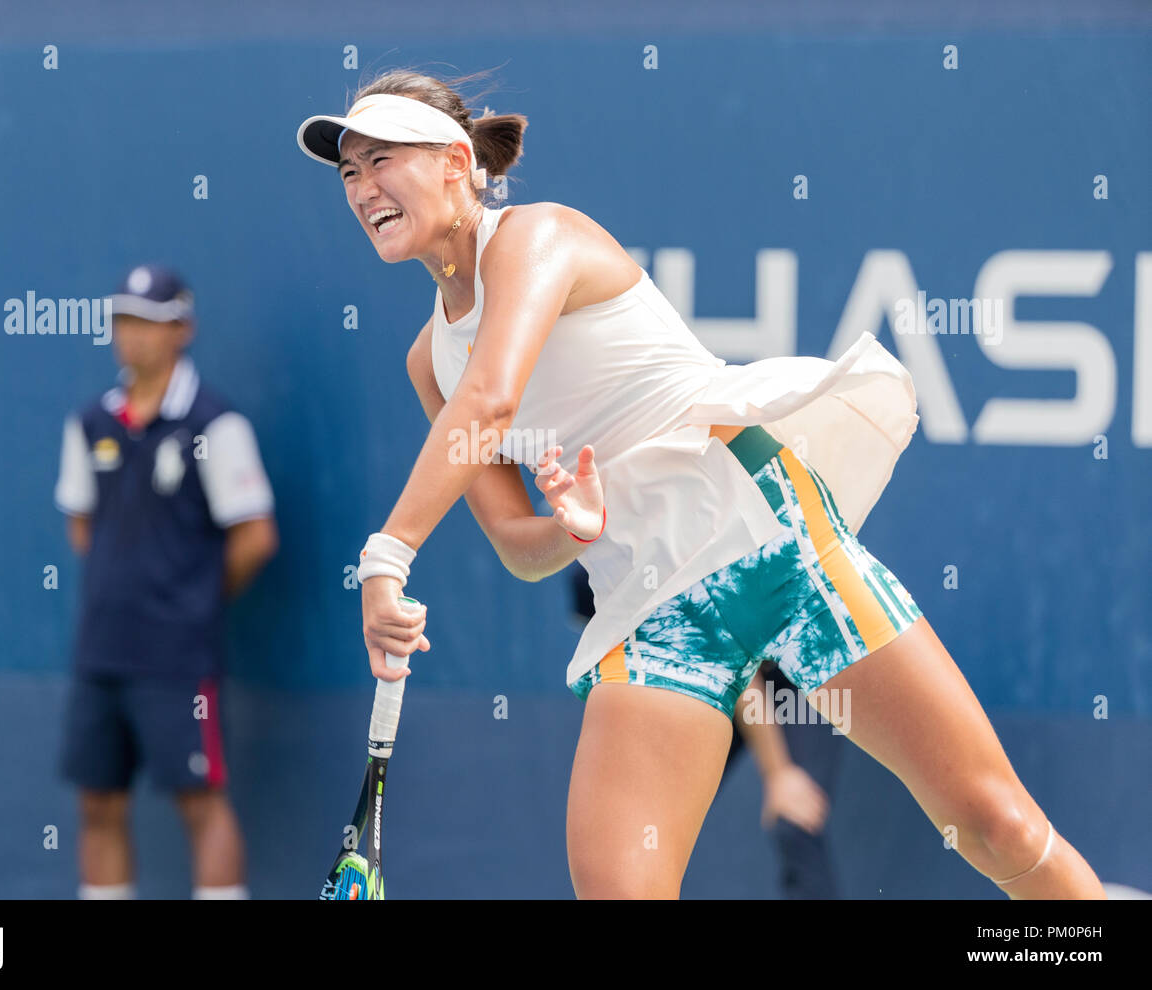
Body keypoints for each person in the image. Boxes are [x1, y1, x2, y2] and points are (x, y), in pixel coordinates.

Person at [295, 69, 1107, 899]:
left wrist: (389, 557)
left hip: (777, 547)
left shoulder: (540, 236)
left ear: (456, 162)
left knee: (996, 825)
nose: (362, 188)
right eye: (349, 171)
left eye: (382, 159)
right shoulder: (427, 362)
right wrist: (574, 531)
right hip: (651, 610)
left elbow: (494, 396)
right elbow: (516, 548)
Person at [54, 264, 278, 899]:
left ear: (183, 329)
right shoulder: (90, 421)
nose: (134, 336)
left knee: (200, 803)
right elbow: (82, 529)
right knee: (97, 803)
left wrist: (191, 601)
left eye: (150, 323)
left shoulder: (214, 424)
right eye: (124, 321)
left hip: (179, 658)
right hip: (101, 651)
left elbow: (255, 537)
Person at [570, 568, 844, 897]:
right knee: (650, 821)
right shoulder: (589, 575)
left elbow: (743, 675)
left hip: (794, 672)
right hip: (713, 670)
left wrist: (779, 773)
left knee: (795, 814)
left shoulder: (684, 555)